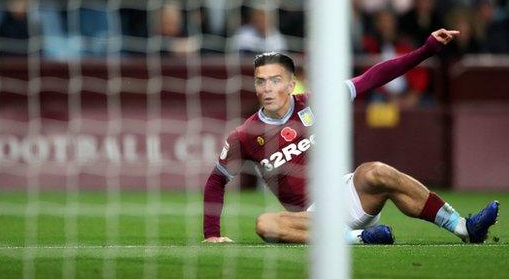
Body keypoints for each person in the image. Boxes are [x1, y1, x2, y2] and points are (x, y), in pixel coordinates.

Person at [203, 29, 499, 244]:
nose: (266, 88)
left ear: (292, 82)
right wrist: (212, 234)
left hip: (345, 197)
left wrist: (426, 50)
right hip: (307, 218)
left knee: (376, 171)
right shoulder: (245, 134)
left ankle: (464, 227)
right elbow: (217, 179)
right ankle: (359, 239)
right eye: (260, 82)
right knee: (265, 223)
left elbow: (375, 76)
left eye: (275, 80)